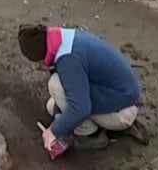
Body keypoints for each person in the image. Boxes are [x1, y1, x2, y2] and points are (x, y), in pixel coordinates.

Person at [17, 24, 149, 153]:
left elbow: (80, 108)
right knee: (52, 106)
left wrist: (53, 132)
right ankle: (108, 127)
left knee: (55, 84)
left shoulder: (68, 59)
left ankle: (91, 135)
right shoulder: (62, 39)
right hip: (121, 95)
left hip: (123, 112)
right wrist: (59, 119)